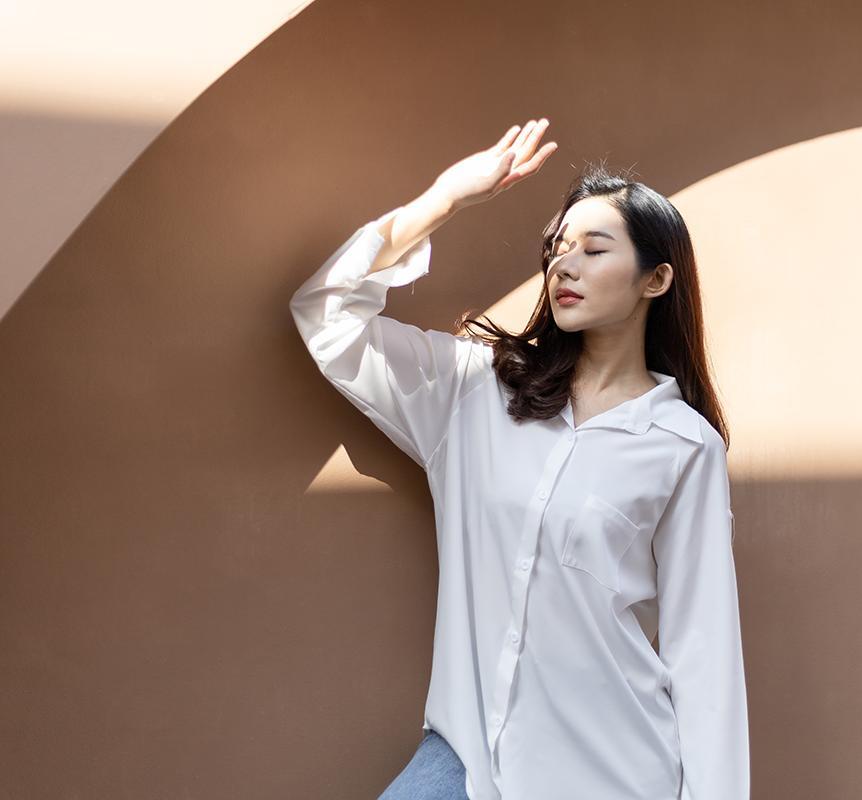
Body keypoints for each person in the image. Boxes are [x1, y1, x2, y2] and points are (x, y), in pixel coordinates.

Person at [289, 118, 749, 800]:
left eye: (594, 249)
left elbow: (703, 651)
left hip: (613, 775)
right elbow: (326, 314)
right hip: (468, 760)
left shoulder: (684, 446)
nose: (565, 264)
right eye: (557, 248)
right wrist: (443, 200)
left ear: (655, 280)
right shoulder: (474, 392)